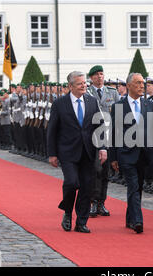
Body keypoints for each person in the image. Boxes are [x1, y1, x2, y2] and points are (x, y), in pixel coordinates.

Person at [47, 71, 107, 233]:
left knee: (87, 187)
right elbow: (52, 130)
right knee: (72, 183)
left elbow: (99, 127)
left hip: (88, 151)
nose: (84, 86)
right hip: (67, 152)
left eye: (85, 83)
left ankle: (81, 222)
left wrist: (102, 147)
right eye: (80, 83)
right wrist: (52, 153)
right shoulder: (60, 103)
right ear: (71, 86)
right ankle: (67, 211)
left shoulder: (92, 102)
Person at [109, 72, 153, 234]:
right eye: (138, 83)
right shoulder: (119, 106)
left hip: (144, 153)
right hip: (126, 153)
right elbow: (114, 133)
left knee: (138, 187)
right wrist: (113, 157)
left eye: (143, 83)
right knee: (133, 185)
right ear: (128, 86)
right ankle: (137, 221)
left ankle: (130, 218)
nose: (142, 86)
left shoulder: (148, 105)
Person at [86, 65, 120, 217]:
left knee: (106, 172)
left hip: (109, 135)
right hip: (94, 136)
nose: (99, 77)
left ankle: (101, 203)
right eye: (96, 75)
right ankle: (92, 202)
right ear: (91, 78)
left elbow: (119, 113)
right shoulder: (87, 92)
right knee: (95, 170)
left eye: (101, 74)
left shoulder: (112, 92)